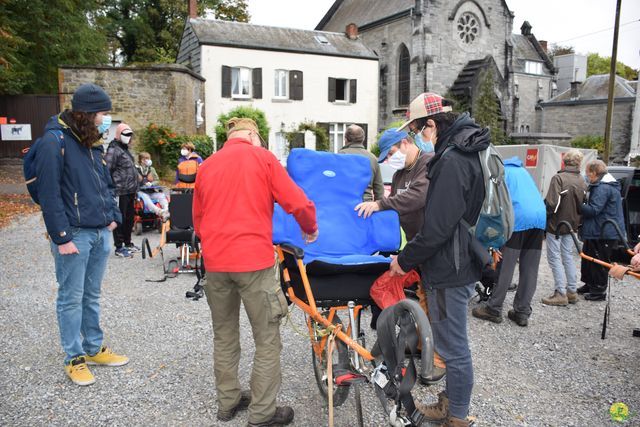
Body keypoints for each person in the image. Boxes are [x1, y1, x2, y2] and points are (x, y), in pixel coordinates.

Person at [193, 117, 318, 426]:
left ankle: (228, 402)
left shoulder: (206, 165)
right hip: (253, 262)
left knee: (224, 335)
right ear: (251, 134)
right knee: (267, 339)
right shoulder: (262, 158)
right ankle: (262, 413)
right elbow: (297, 201)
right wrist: (310, 228)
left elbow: (198, 219)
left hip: (216, 263)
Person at [389, 92, 486, 427]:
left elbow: (438, 227)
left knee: (454, 348)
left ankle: (457, 416)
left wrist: (405, 258)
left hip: (450, 266)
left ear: (431, 124)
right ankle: (453, 405)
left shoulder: (452, 159)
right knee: (453, 343)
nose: (418, 137)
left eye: (418, 130)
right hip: (461, 257)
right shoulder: (464, 148)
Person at [34, 83, 129, 386]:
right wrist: (61, 237)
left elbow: (105, 182)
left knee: (91, 296)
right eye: (102, 113)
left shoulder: (92, 141)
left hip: (100, 232)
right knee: (71, 298)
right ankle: (74, 357)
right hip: (73, 233)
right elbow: (48, 193)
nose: (106, 119)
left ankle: (93, 347)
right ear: (86, 113)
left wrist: (113, 216)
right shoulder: (55, 141)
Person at [354, 128, 446, 382]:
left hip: (436, 243)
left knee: (438, 302)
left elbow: (417, 197)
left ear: (405, 143)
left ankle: (437, 359)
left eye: (392, 153)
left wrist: (379, 204)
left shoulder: (428, 163)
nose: (389, 160)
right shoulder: (399, 175)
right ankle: (419, 344)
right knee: (422, 295)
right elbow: (395, 204)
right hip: (417, 244)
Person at [472, 157, 546, 327]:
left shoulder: (502, 173)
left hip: (518, 219)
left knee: (506, 266)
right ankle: (522, 312)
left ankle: (494, 308)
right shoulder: (523, 172)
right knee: (530, 268)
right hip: (539, 218)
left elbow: (493, 204)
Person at [541, 149, 588, 306]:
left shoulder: (558, 178)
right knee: (567, 256)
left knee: (554, 258)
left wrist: (544, 217)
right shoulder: (582, 180)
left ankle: (560, 292)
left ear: (564, 161)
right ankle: (572, 291)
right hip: (572, 225)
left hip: (556, 224)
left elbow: (552, 203)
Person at [578, 160, 625, 301]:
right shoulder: (603, 185)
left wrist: (577, 203)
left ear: (594, 173)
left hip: (604, 231)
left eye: (587, 173)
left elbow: (594, 210)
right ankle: (589, 284)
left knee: (599, 260)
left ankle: (599, 290)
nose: (586, 176)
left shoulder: (603, 187)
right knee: (589, 258)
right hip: (598, 229)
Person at [105, 123, 139, 258]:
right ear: (118, 135)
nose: (128, 137)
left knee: (130, 218)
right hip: (120, 190)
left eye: (130, 135)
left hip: (130, 190)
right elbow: (107, 169)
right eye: (125, 134)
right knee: (120, 218)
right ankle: (119, 247)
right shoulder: (114, 149)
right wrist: (111, 187)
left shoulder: (125, 149)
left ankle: (128, 243)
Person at [339, 124, 384, 201]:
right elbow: (379, 189)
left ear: (345, 139)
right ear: (363, 139)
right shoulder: (372, 158)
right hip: (366, 206)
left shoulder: (340, 156)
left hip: (344, 204)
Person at [135, 151, 169, 220]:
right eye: (147, 159)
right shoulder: (135, 169)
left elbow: (157, 180)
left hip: (151, 191)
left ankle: (166, 210)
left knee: (161, 195)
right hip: (141, 192)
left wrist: (152, 184)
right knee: (145, 198)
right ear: (141, 160)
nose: (149, 160)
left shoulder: (151, 169)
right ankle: (158, 211)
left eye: (149, 158)